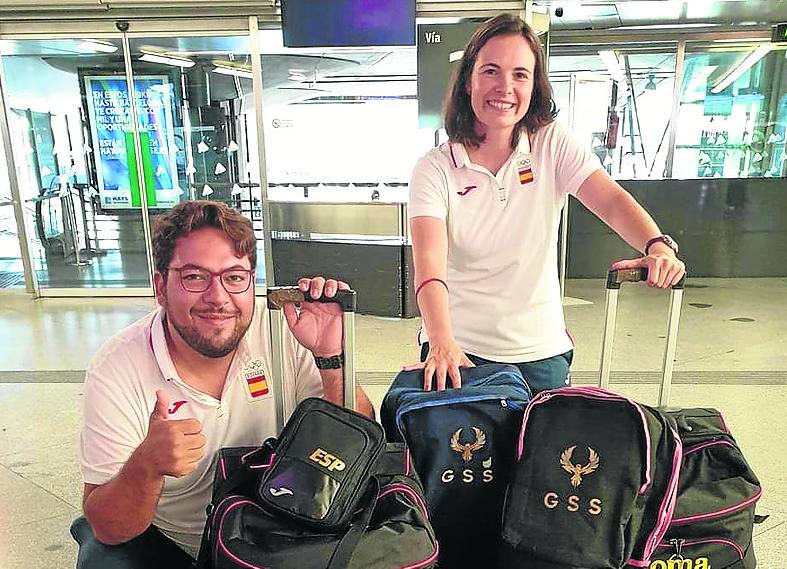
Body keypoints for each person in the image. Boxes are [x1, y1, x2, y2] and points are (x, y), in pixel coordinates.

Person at [70, 200, 373, 568]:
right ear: (161, 287)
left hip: (276, 527)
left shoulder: (283, 328)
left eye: (234, 277)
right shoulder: (118, 366)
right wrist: (145, 467)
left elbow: (358, 449)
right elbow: (108, 526)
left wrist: (331, 358)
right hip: (175, 543)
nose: (218, 297)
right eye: (194, 277)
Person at [406, 14, 686, 393]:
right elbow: (429, 265)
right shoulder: (435, 168)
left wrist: (656, 245)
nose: (504, 87)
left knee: (545, 452)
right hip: (460, 350)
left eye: (520, 74)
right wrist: (440, 340)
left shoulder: (550, 144)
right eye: (491, 71)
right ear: (468, 79)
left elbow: (611, 200)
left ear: (534, 84)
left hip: (540, 351)